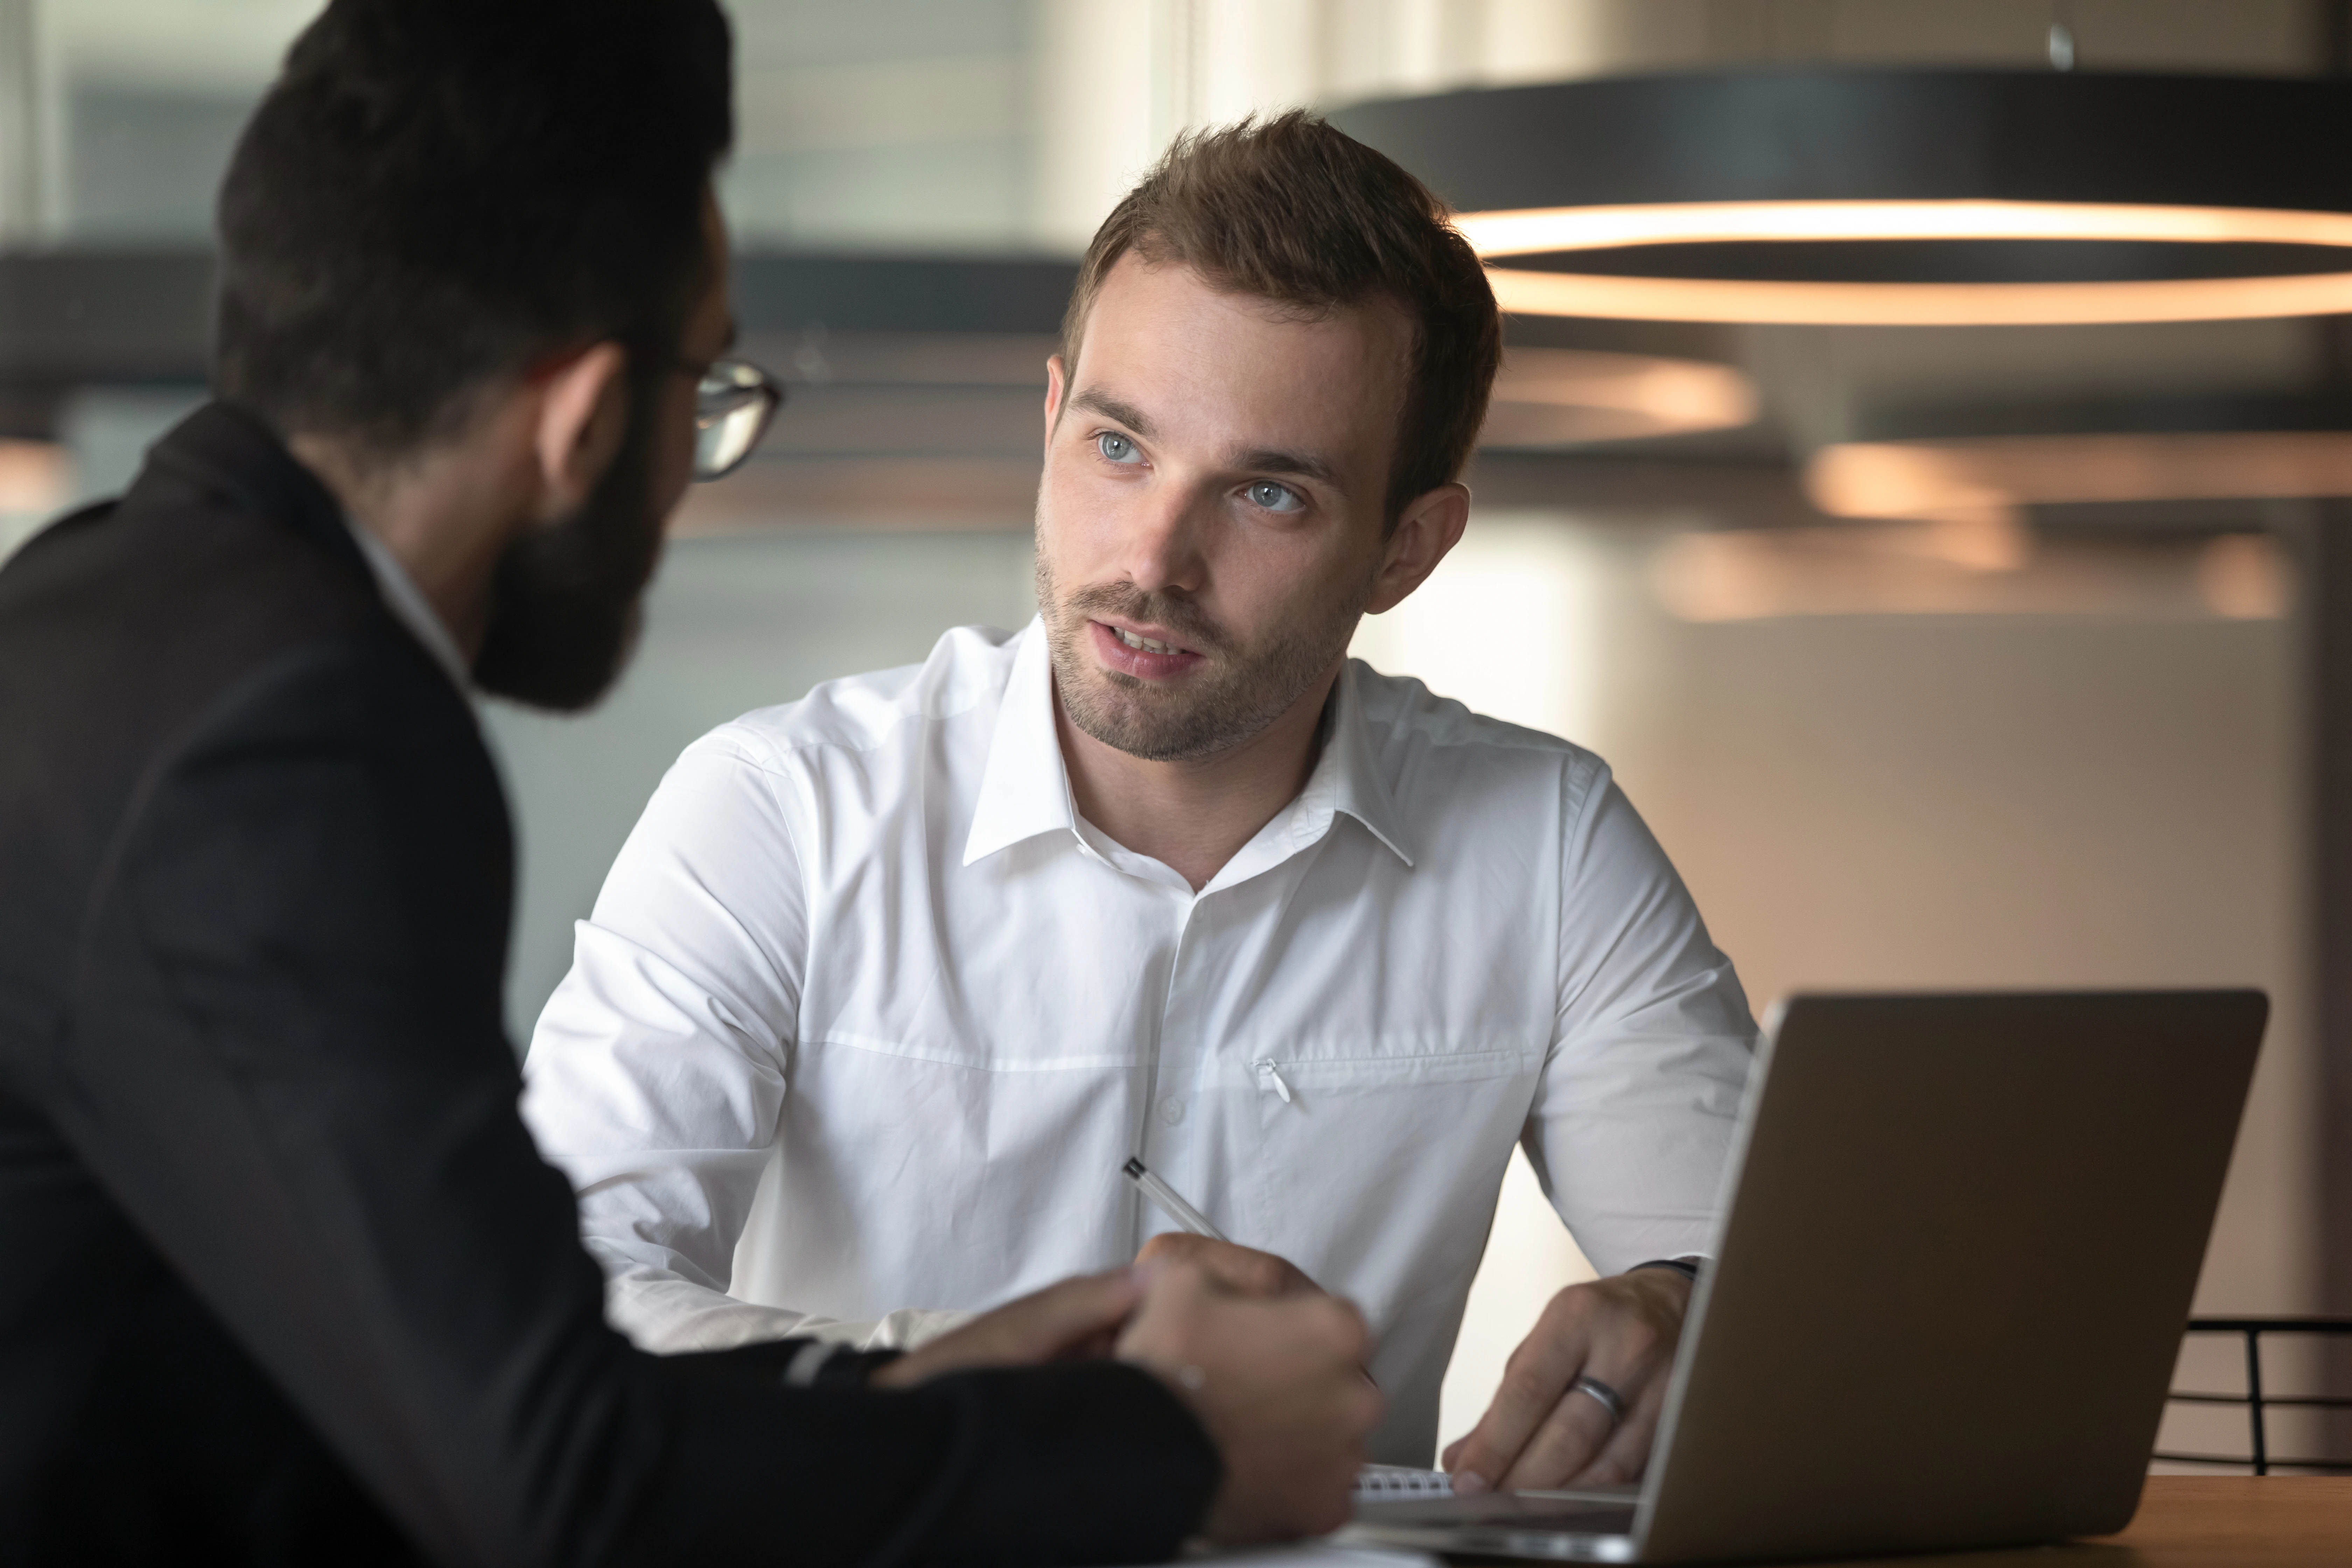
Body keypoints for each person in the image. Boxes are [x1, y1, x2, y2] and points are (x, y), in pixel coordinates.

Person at [0, 4, 1380, 1562]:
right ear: (589, 416)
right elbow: (556, 1485)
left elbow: (438, 1392)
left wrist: (920, 1383)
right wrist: (1173, 1449)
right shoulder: (292, 737)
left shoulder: (95, 616)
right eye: (705, 394)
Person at [521, 112, 1757, 1491]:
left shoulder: (1551, 845)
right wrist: (1059, 1396)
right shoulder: (779, 810)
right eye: (1119, 449)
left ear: (1407, 547)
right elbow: (566, 1306)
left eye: (1270, 493)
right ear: (1051, 420)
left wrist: (1687, 1320)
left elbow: (1768, 1297)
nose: (1154, 559)